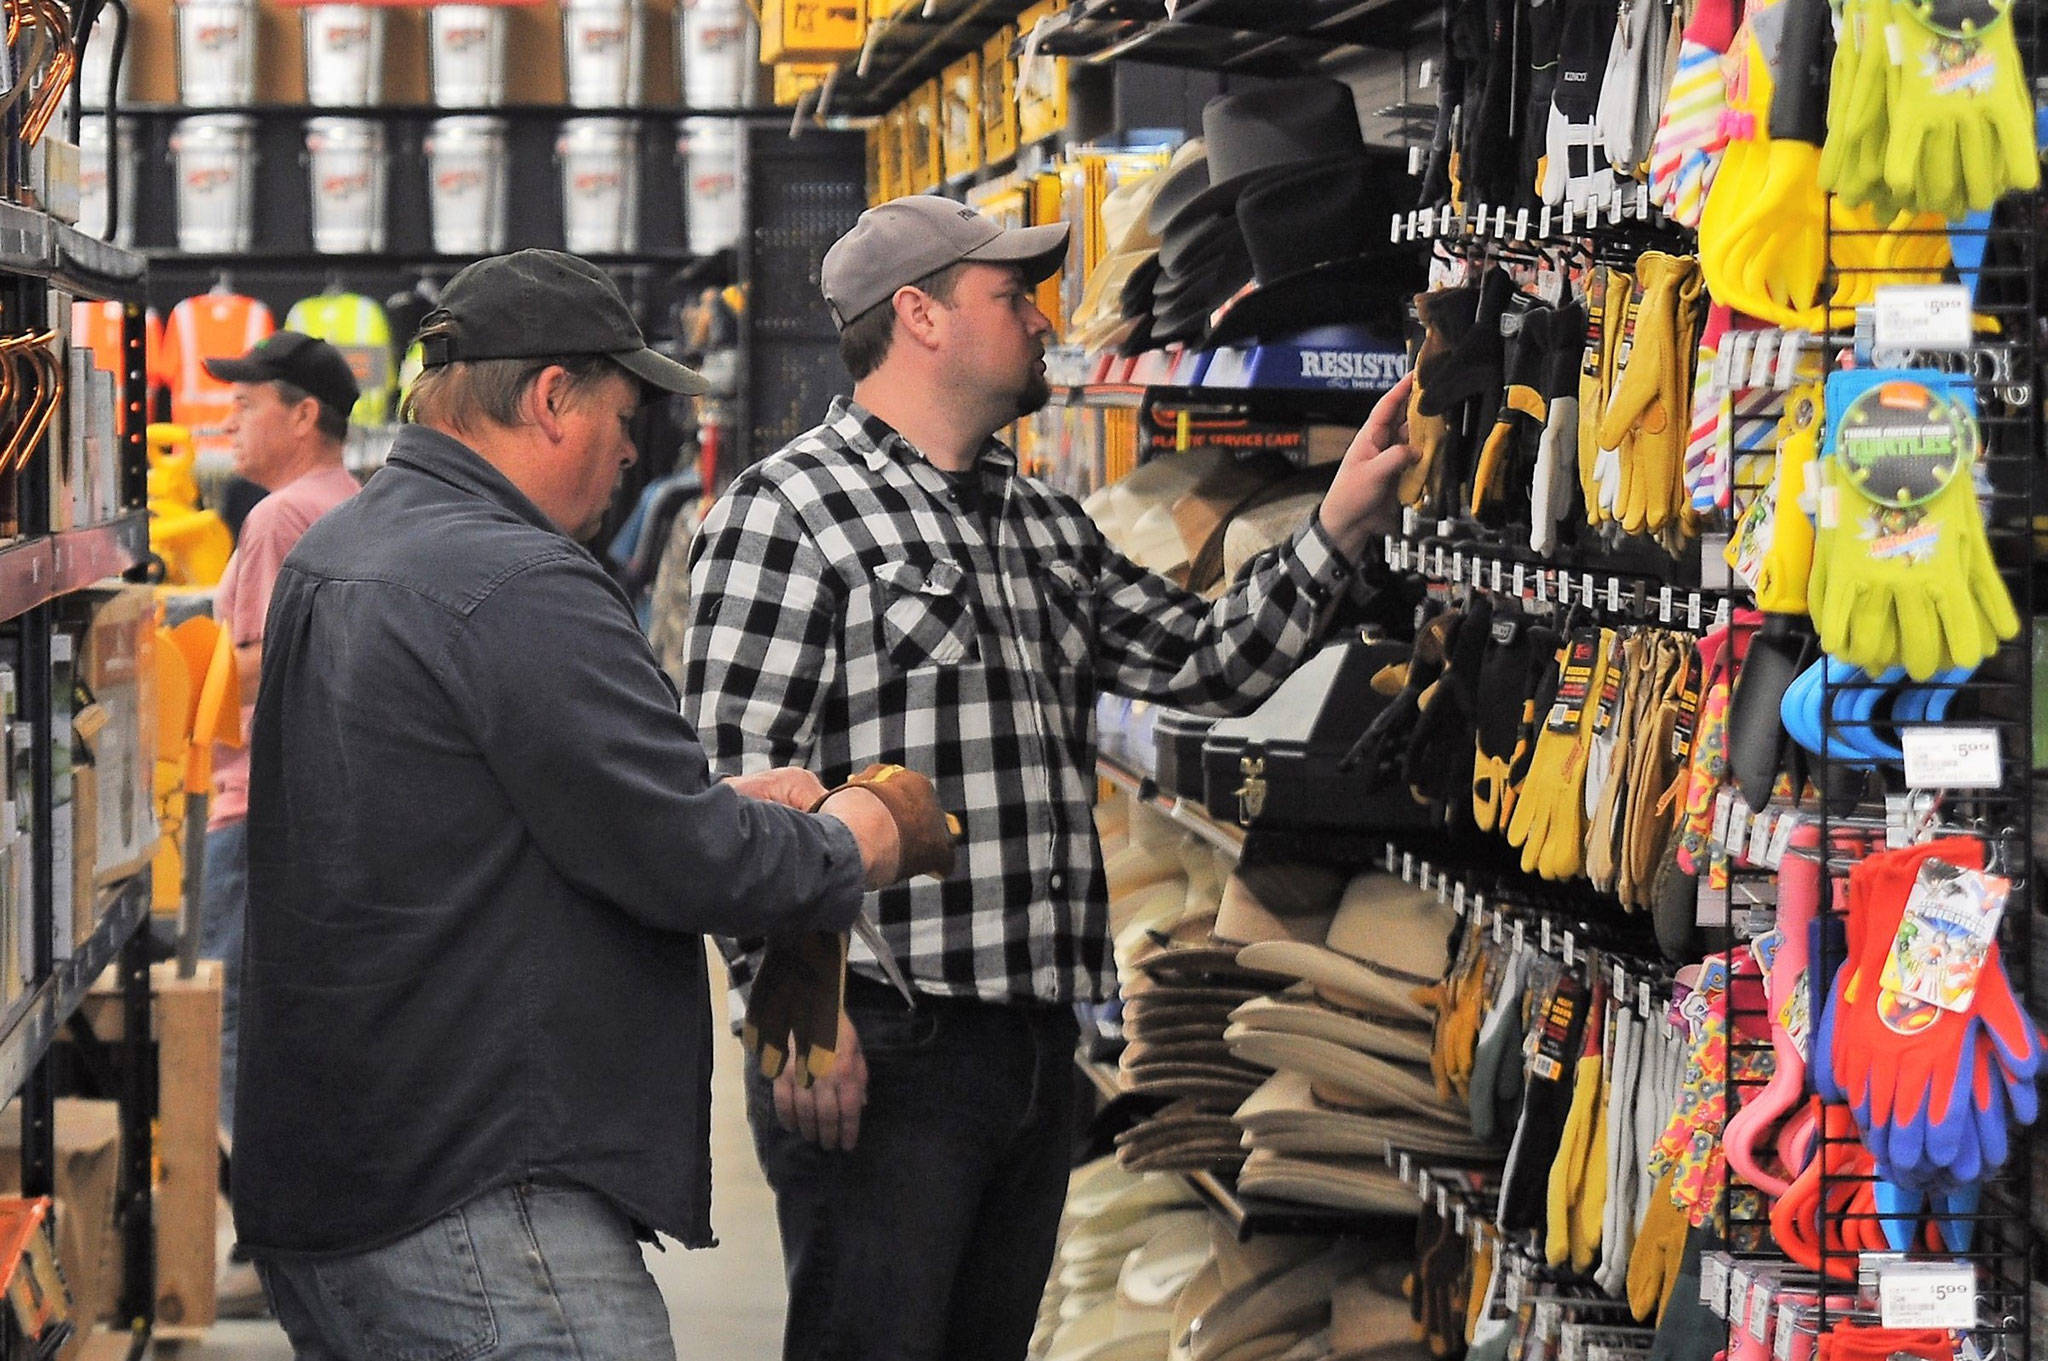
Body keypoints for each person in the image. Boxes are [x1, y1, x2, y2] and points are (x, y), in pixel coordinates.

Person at [682, 195, 1418, 1361]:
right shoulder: (787, 511)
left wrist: (1336, 524)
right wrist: (792, 1015)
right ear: (919, 315)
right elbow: (733, 794)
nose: (1040, 320)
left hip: (1031, 1043)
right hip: (886, 1039)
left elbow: (1203, 660)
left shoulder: (1035, 520)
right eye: (1011, 296)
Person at [232, 250, 951, 1361]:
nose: (630, 449)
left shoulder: (344, 547)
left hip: (351, 1183)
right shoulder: (518, 580)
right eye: (623, 415)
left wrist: (701, 795)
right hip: (482, 1203)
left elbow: (476, 816)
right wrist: (854, 837)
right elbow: (690, 861)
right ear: (552, 396)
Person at [196, 329, 363, 1143]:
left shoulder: (278, 515)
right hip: (319, 803)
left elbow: (263, 661)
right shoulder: (350, 500)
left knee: (231, 1011)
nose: (228, 421)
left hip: (254, 802)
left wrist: (168, 665)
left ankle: (251, 1182)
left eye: (244, 404)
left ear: (303, 415)